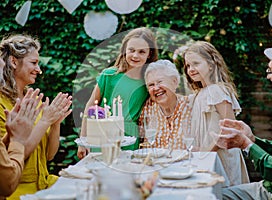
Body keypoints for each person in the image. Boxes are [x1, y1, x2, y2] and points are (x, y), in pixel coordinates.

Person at [217, 37, 272, 199]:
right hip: (270, 188)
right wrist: (252, 139)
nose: (268, 76)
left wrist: (246, 145)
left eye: (271, 71)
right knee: (214, 195)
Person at [0, 34, 72, 199]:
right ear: (13, 61)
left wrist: (55, 123)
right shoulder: (1, 104)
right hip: (19, 191)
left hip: (44, 184)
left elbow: (48, 156)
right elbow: (10, 160)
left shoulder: (31, 99)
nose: (39, 69)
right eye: (33, 63)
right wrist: (45, 120)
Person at [77, 27, 158, 159]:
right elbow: (90, 106)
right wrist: (83, 140)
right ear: (125, 50)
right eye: (131, 50)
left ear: (149, 54)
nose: (135, 55)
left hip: (130, 139)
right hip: (102, 137)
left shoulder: (149, 81)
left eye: (142, 52)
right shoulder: (109, 75)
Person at [183, 41, 249, 186]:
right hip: (208, 156)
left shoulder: (217, 91)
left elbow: (231, 129)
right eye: (188, 65)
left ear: (211, 65)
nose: (191, 69)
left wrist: (206, 152)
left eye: (196, 63)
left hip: (221, 157)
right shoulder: (200, 94)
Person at [139, 59, 192, 149]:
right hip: (155, 162)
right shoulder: (148, 111)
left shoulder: (191, 106)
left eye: (160, 82)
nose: (156, 88)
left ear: (174, 82)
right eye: (151, 85)